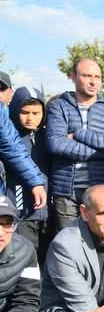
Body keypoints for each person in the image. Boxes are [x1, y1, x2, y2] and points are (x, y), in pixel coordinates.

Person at [46, 57, 104, 231]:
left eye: (97, 77)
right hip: (66, 190)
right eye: (87, 75)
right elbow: (56, 144)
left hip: (100, 188)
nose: (93, 81)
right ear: (73, 76)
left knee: (99, 240)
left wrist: (78, 134)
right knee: (68, 242)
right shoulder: (59, 106)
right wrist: (101, 153)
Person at [7, 87, 50, 253]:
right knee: (26, 255)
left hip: (46, 212)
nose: (30, 118)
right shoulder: (9, 138)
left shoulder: (46, 136)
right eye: (25, 112)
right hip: (21, 211)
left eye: (36, 113)